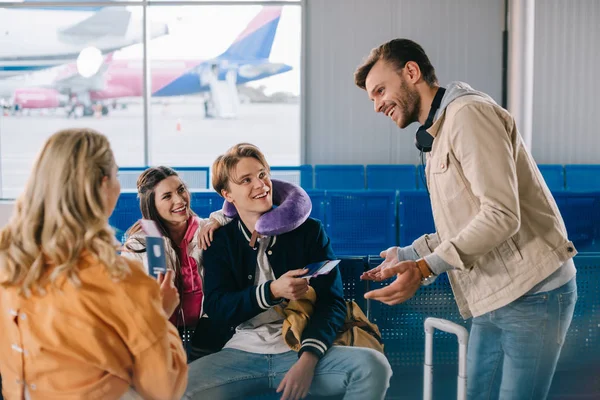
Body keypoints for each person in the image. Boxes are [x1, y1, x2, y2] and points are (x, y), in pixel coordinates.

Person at [354, 38, 578, 400]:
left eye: (380, 91)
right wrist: (410, 254)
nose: (377, 105)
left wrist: (425, 268)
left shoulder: (467, 116)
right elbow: (464, 222)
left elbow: (501, 216)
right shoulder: (437, 134)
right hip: (493, 292)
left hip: (534, 293)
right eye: (372, 98)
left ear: (411, 72)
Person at [185, 143, 392, 400]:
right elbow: (218, 307)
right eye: (246, 180)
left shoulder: (309, 232)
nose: (260, 185)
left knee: (373, 366)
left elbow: (332, 302)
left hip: (299, 348)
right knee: (173, 389)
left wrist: (308, 361)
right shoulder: (219, 241)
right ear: (228, 194)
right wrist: (271, 292)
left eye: (262, 175)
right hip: (240, 352)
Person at [0, 129, 187, 399]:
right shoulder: (122, 279)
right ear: (103, 187)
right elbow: (163, 388)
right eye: (116, 176)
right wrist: (160, 316)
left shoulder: (9, 261)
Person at [122, 166, 229, 358]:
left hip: (208, 338)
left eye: (181, 190)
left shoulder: (207, 230)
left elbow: (241, 213)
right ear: (152, 204)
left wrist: (219, 218)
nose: (179, 200)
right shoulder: (139, 244)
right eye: (167, 196)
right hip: (161, 339)